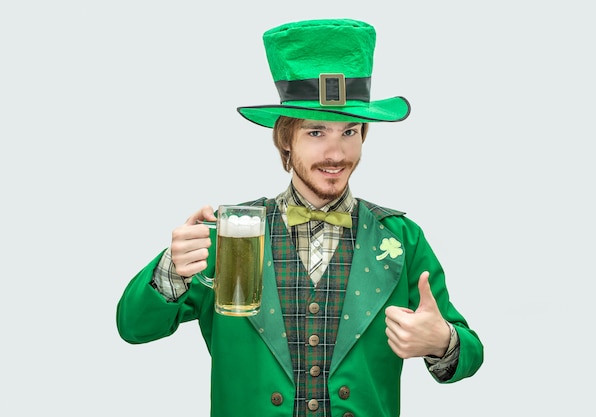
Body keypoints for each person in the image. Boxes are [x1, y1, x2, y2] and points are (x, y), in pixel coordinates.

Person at [117, 18, 484, 417]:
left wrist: (442, 341)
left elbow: (469, 352)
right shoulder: (230, 233)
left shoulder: (401, 238)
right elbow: (134, 327)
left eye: (349, 131)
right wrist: (173, 269)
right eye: (316, 132)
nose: (336, 153)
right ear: (285, 139)